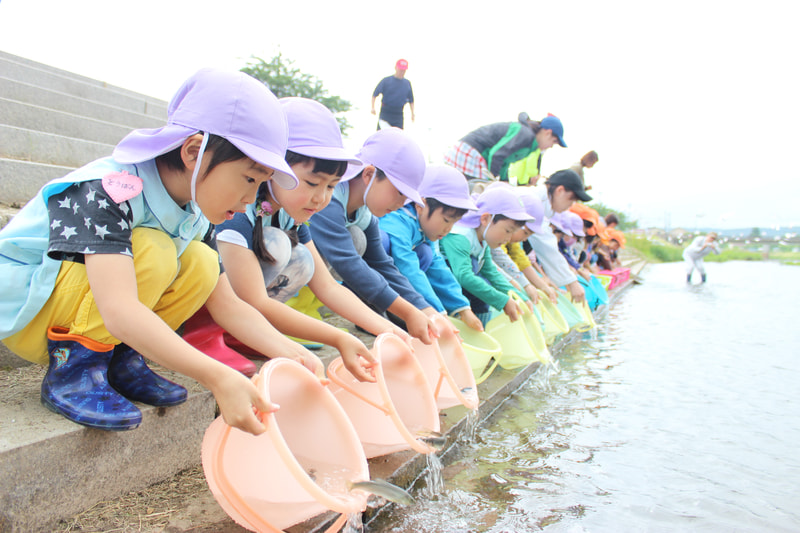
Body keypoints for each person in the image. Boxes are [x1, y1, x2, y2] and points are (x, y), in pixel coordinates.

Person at [0, 69, 323, 434]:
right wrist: (214, 375)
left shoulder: (195, 210)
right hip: (31, 312)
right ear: (193, 151)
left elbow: (228, 305)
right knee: (153, 249)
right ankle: (74, 372)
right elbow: (119, 309)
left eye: (261, 184)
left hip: (93, 311)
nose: (251, 199)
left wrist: (292, 352)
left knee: (200, 263)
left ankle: (120, 359)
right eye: (249, 178)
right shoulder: (106, 189)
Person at [215, 97, 412, 383]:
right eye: (312, 183)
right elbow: (254, 300)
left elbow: (328, 287)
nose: (320, 198)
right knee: (280, 246)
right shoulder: (239, 211)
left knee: (302, 257)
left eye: (331, 186)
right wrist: (337, 337)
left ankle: (257, 333)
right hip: (226, 309)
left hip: (250, 311)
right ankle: (232, 335)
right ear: (275, 166)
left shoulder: (291, 215)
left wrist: (389, 330)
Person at [309, 128, 436, 344]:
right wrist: (406, 312)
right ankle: (290, 308)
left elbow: (382, 265)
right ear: (368, 175)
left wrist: (425, 309)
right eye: (399, 192)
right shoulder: (328, 200)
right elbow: (349, 263)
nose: (401, 204)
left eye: (406, 198)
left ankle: (307, 309)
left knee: (358, 238)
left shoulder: (364, 214)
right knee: (354, 242)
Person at [379, 165, 483, 332]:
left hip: (392, 282)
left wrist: (463, 308)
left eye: (454, 222)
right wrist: (435, 312)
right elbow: (408, 267)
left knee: (426, 253)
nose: (449, 229)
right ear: (421, 205)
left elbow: (437, 265)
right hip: (366, 281)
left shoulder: (424, 228)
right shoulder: (396, 221)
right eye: (446, 220)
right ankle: (374, 308)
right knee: (382, 243)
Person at [439, 184, 534, 326]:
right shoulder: (461, 236)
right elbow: (463, 276)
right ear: (485, 219)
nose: (508, 238)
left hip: (456, 283)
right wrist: (503, 300)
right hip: (439, 284)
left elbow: (491, 271)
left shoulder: (482, 240)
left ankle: (480, 332)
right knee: (477, 283)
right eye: (508, 230)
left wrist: (518, 296)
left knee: (483, 286)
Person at [443, 112, 566, 187]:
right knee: (476, 191)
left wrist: (503, 181)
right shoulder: (525, 134)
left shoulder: (531, 144)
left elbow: (504, 162)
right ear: (547, 133)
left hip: (475, 155)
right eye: (554, 142)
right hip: (470, 153)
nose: (551, 146)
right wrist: (494, 182)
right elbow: (497, 155)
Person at [526, 169, 593, 303]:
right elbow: (546, 245)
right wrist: (572, 282)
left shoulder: (545, 205)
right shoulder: (534, 200)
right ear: (560, 190)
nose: (571, 205)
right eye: (572, 199)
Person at [490, 189, 559, 304]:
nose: (525, 239)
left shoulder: (511, 241)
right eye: (525, 233)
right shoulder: (497, 238)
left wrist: (543, 286)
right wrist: (526, 285)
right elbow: (501, 259)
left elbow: (522, 260)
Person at [371, 59, 415, 130]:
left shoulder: (407, 84)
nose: (402, 72)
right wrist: (373, 107)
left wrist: (412, 114)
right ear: (396, 68)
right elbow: (375, 95)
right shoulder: (386, 81)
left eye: (404, 70)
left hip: (398, 113)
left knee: (397, 137)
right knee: (382, 135)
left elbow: (411, 101)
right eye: (400, 69)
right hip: (386, 112)